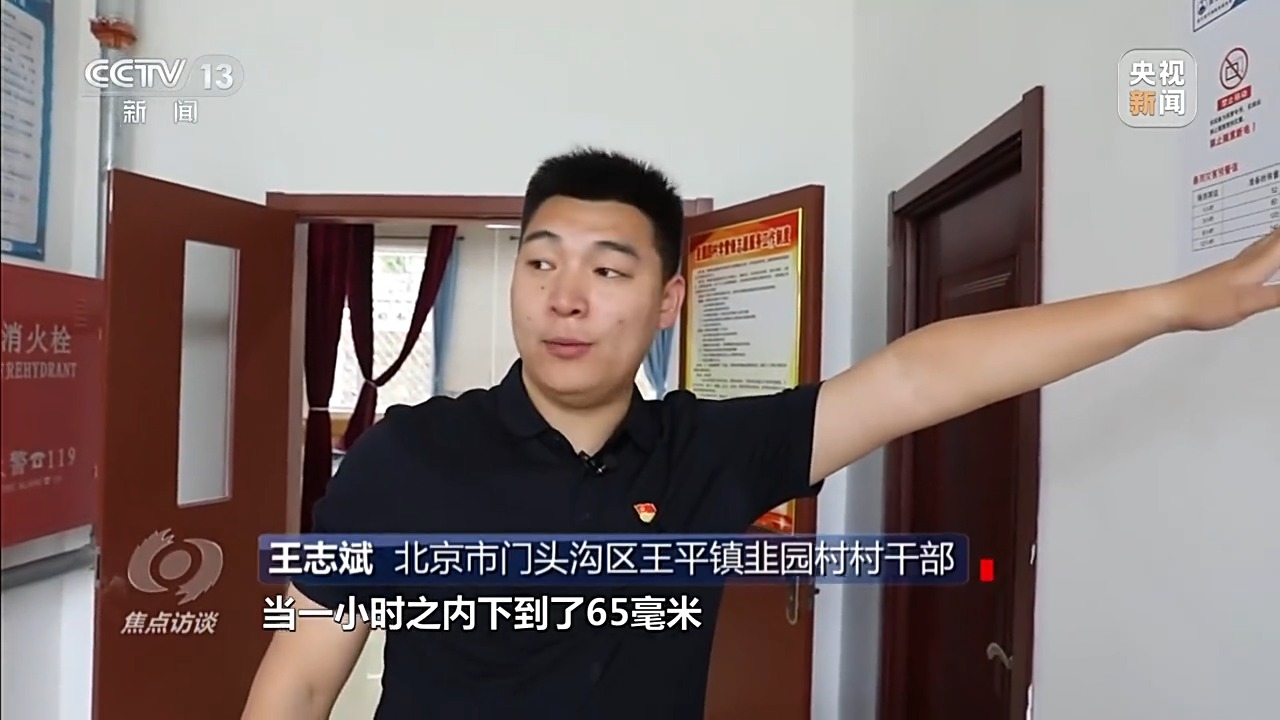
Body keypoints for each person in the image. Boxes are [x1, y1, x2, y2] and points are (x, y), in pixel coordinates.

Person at [242, 148, 1280, 720]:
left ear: (667, 302)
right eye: (541, 261)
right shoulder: (405, 458)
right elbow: (302, 675)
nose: (565, 297)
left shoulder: (710, 451)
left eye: (607, 270)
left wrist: (1176, 305)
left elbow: (916, 376)